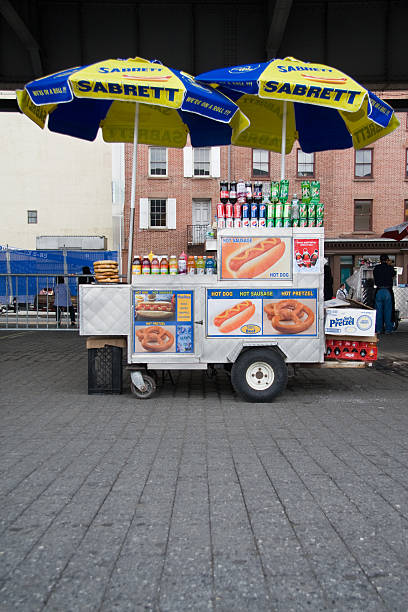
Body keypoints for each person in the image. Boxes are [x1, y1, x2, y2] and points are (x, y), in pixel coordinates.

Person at [373, 254, 396, 334]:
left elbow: (375, 278)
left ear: (380, 260)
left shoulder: (376, 268)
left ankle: (378, 329)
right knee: (388, 311)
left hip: (378, 291)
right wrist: (389, 265)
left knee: (378, 311)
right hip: (387, 291)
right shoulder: (390, 268)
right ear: (387, 260)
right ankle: (388, 329)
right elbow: (394, 274)